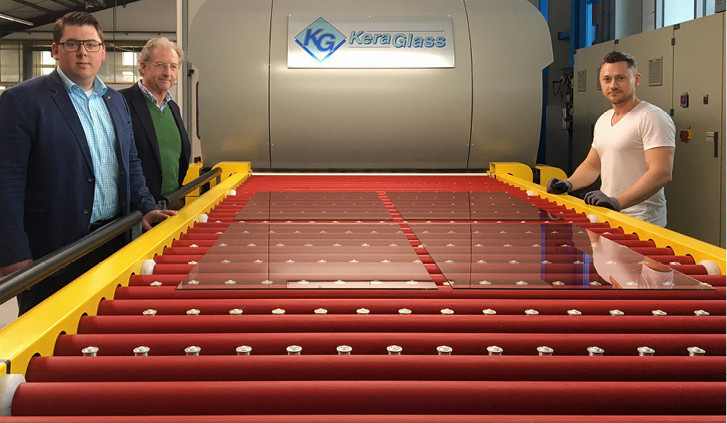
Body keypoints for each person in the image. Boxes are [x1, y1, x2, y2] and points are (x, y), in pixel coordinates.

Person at [0, 12, 177, 314]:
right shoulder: (23, 101)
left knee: (107, 326)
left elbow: (130, 163)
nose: (83, 52)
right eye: (72, 44)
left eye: (91, 44)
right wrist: (13, 254)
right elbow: (6, 182)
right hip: (54, 251)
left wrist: (146, 207)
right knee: (51, 338)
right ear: (55, 50)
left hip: (113, 239)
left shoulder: (115, 101)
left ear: (103, 52)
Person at [547, 51, 676, 227]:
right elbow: (592, 165)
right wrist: (568, 184)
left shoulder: (652, 117)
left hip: (641, 222)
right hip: (607, 215)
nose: (613, 85)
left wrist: (617, 202)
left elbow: (661, 173)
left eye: (620, 78)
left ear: (637, 79)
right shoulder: (604, 119)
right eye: (607, 79)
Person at [119, 38, 190, 208]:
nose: (167, 73)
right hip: (138, 209)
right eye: (160, 65)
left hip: (173, 201)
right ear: (143, 67)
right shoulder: (121, 102)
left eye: (173, 66)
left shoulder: (173, 107)